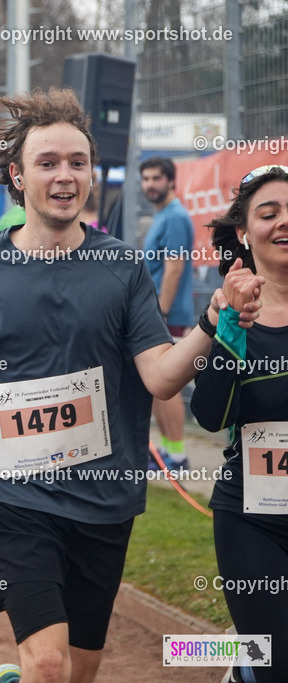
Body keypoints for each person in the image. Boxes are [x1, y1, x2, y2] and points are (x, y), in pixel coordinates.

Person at [0, 87, 252, 683]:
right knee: (46, 663)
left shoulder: (121, 268)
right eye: (47, 163)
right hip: (13, 499)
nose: (65, 176)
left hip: (103, 501)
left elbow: (162, 377)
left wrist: (214, 322)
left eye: (77, 163)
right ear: (16, 175)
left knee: (78, 672)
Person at [192, 164, 288, 683]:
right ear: (243, 234)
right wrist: (233, 322)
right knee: (280, 664)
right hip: (253, 518)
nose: (283, 223)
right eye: (268, 214)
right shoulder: (230, 312)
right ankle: (250, 665)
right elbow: (210, 416)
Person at [140, 157, 195, 471]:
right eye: (145, 178)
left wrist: (160, 311)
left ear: (171, 181)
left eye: (156, 178)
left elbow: (174, 268)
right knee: (155, 384)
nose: (150, 184)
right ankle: (165, 452)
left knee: (167, 384)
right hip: (158, 312)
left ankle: (177, 456)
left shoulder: (175, 217)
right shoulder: (162, 215)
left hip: (168, 313)